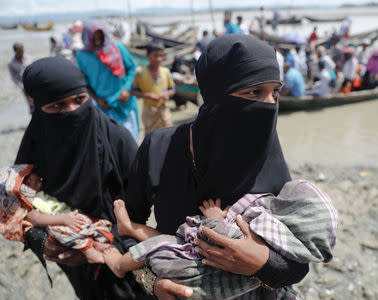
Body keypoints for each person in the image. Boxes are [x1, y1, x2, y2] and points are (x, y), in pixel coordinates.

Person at [124, 35, 310, 299]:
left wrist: (261, 261)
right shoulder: (159, 148)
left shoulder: (267, 157)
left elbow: (299, 261)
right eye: (255, 92)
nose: (269, 105)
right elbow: (126, 226)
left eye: (275, 92)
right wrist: (151, 280)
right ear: (216, 94)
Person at [16, 56, 144, 299]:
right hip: (72, 262)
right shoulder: (36, 147)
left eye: (79, 100)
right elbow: (16, 207)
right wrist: (42, 242)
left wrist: (104, 246)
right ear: (38, 107)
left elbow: (141, 207)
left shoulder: (117, 140)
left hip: (124, 256)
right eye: (57, 106)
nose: (73, 111)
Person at [105, 178, 338, 299]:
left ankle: (119, 264)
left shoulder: (267, 235)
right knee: (166, 240)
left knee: (159, 246)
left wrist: (215, 217)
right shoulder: (290, 245)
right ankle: (130, 228)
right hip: (199, 263)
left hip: (199, 274)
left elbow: (221, 237)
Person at [0, 164, 113, 264]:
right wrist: (63, 220)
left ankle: (97, 242)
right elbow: (37, 219)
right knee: (57, 230)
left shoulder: (43, 192)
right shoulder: (28, 208)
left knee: (95, 223)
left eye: (27, 176)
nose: (30, 180)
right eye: (23, 183)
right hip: (63, 224)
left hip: (73, 216)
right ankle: (89, 250)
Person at [76, 21, 139, 141]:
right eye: (94, 38)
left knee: (131, 141)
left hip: (124, 102)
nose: (98, 40)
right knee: (110, 143)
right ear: (87, 38)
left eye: (100, 36)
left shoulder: (118, 48)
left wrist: (126, 88)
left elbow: (132, 68)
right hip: (104, 105)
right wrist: (97, 99)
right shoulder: (82, 56)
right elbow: (85, 82)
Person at [131, 42, 175, 136]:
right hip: (148, 110)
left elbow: (172, 88)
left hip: (163, 108)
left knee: (168, 134)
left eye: (161, 56)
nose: (159, 59)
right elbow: (133, 91)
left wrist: (167, 93)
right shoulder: (140, 72)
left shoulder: (165, 71)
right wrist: (147, 95)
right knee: (151, 136)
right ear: (147, 55)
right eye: (155, 56)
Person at [8, 42, 34, 113]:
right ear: (15, 51)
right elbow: (13, 77)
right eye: (19, 51)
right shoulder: (11, 63)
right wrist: (21, 86)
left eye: (22, 50)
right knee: (31, 104)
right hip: (24, 86)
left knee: (40, 101)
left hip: (34, 82)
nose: (21, 52)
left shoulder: (29, 58)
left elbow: (35, 69)